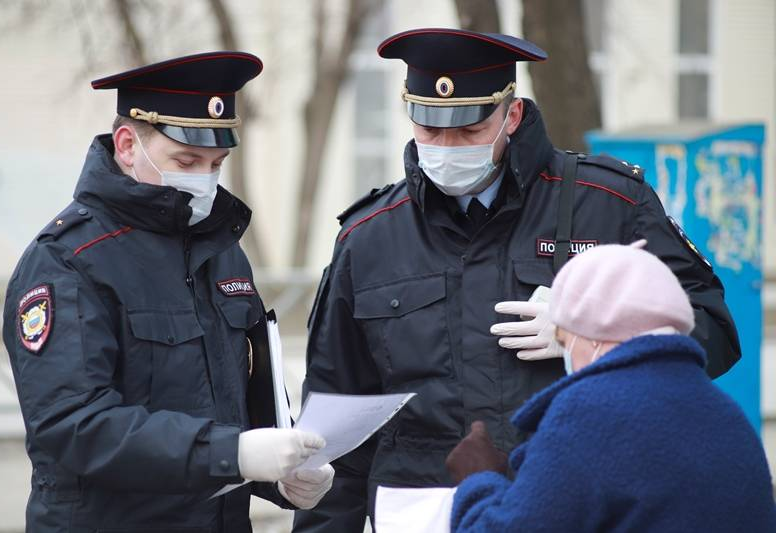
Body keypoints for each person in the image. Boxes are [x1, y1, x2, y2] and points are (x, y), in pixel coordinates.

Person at [293, 28, 741, 531]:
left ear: (512, 114)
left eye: (467, 131)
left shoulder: (608, 204)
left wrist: (606, 339)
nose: (445, 147)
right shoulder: (369, 236)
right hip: (422, 511)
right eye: (430, 129)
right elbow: (336, 426)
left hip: (571, 502)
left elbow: (715, 330)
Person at [3, 52, 333, 532]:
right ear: (127, 145)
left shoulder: (220, 250)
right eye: (186, 160)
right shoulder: (67, 260)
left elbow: (241, 398)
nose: (203, 179)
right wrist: (232, 454)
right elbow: (73, 424)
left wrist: (281, 476)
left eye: (216, 163)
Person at [446, 241, 776, 532]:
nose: (566, 353)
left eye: (563, 338)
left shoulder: (589, 412)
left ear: (591, 333)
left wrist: (478, 480)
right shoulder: (725, 412)